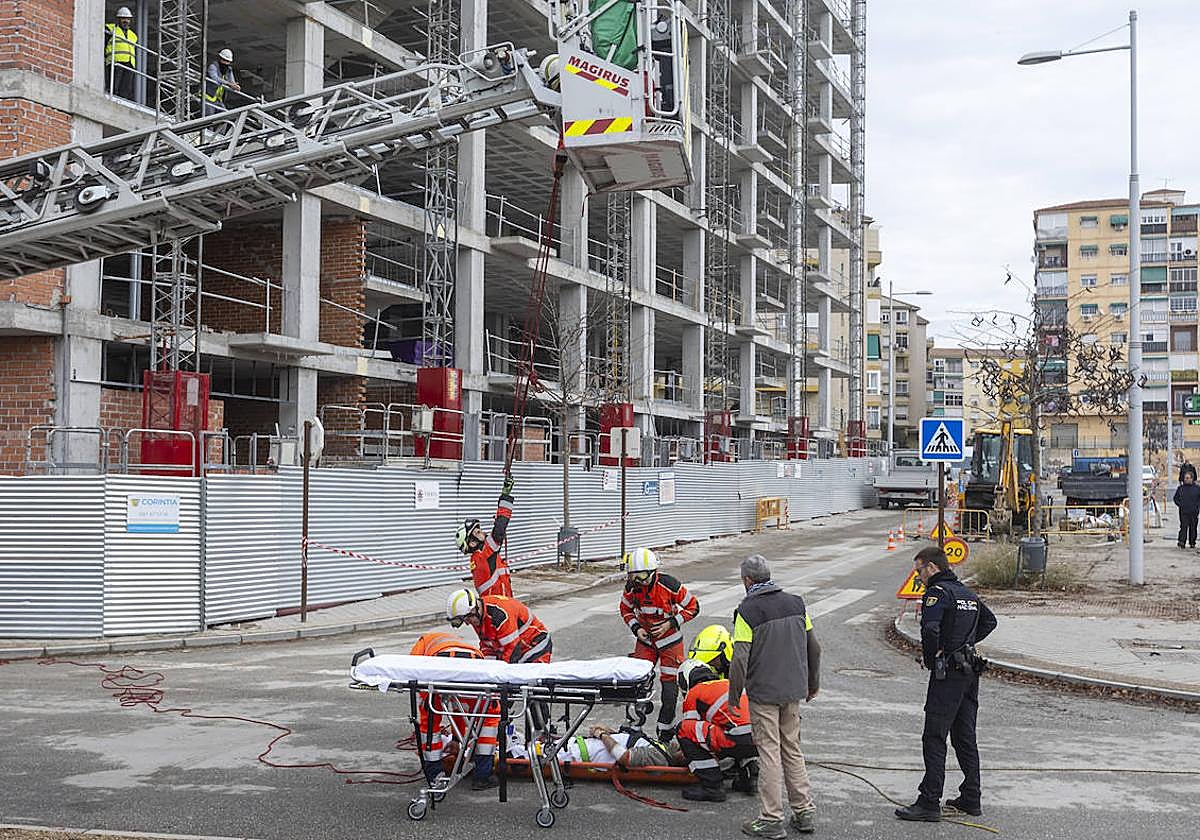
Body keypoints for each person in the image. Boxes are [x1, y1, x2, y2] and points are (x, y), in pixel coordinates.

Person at [895, 546, 997, 823]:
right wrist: (965, 644)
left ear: (931, 567)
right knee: (965, 736)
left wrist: (934, 656)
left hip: (948, 675)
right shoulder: (967, 593)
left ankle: (929, 802)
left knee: (934, 736)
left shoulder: (937, 593)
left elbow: (929, 629)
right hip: (969, 672)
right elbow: (990, 621)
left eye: (919, 571)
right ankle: (971, 797)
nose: (919, 577)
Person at [729, 554, 821, 838]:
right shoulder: (796, 603)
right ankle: (804, 812)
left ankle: (771, 819)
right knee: (792, 749)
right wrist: (812, 683)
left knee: (769, 752)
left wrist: (734, 696)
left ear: (747, 581)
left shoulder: (747, 610)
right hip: (793, 690)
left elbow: (740, 659)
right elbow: (814, 647)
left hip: (764, 694)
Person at [619, 547, 700, 741]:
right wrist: (636, 628)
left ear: (653, 572)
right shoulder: (632, 587)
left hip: (670, 642)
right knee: (636, 683)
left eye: (643, 577)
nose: (639, 582)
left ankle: (665, 731)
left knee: (670, 690)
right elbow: (625, 609)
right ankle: (633, 727)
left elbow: (693, 607)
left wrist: (671, 623)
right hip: (646, 641)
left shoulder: (669, 585)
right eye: (634, 577)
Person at [409, 631, 500, 790]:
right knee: (488, 713)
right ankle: (482, 776)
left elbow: (411, 670)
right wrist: (457, 740)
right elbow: (459, 709)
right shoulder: (459, 642)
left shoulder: (424, 642)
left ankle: (434, 775)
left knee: (430, 720)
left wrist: (457, 740)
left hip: (437, 671)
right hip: (474, 668)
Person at [676, 658, 758, 803]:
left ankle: (712, 787)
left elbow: (691, 731)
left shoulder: (695, 692)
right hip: (762, 739)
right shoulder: (729, 683)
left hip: (736, 740)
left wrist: (685, 755)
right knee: (735, 728)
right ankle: (749, 777)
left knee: (683, 729)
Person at [445, 588, 551, 664]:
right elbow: (487, 646)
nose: (468, 623)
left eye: (467, 619)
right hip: (517, 649)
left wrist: (501, 676)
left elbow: (512, 650)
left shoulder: (500, 614)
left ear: (474, 609)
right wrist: (486, 667)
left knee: (531, 687)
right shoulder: (478, 617)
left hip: (535, 646)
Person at [508, 725, 685, 769]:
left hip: (579, 753)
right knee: (526, 741)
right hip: (581, 745)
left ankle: (505, 754)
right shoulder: (663, 748)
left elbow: (624, 756)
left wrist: (602, 735)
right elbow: (627, 742)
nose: (680, 744)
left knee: (526, 753)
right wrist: (611, 732)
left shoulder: (661, 757)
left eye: (684, 749)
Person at [456, 474, 515, 598]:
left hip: (500, 602)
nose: (482, 532)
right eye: (478, 532)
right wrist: (505, 496)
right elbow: (499, 530)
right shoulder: (482, 555)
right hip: (499, 605)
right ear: (472, 543)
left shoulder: (479, 557)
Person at [104, 7, 138, 102]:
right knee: (114, 86)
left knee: (126, 88)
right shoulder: (111, 29)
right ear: (118, 19)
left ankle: (123, 102)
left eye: (127, 19)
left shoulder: (133, 35)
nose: (126, 21)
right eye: (123, 18)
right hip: (116, 62)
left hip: (129, 64)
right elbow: (104, 44)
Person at [204, 48, 242, 115]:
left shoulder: (228, 70)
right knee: (209, 119)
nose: (226, 63)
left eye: (228, 61)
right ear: (220, 59)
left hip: (218, 100)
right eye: (224, 60)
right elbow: (215, 78)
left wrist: (235, 86)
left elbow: (232, 81)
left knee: (225, 116)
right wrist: (229, 84)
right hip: (208, 98)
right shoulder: (213, 67)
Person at [1174, 470, 1200, 549]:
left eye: (1188, 478)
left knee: (1193, 527)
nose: (1186, 479)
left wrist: (1196, 506)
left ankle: (1192, 542)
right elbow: (1175, 498)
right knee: (1183, 527)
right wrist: (1180, 505)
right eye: (1185, 478)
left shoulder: (1197, 488)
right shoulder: (1180, 488)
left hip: (1194, 512)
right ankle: (1182, 542)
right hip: (1183, 511)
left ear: (1192, 479)